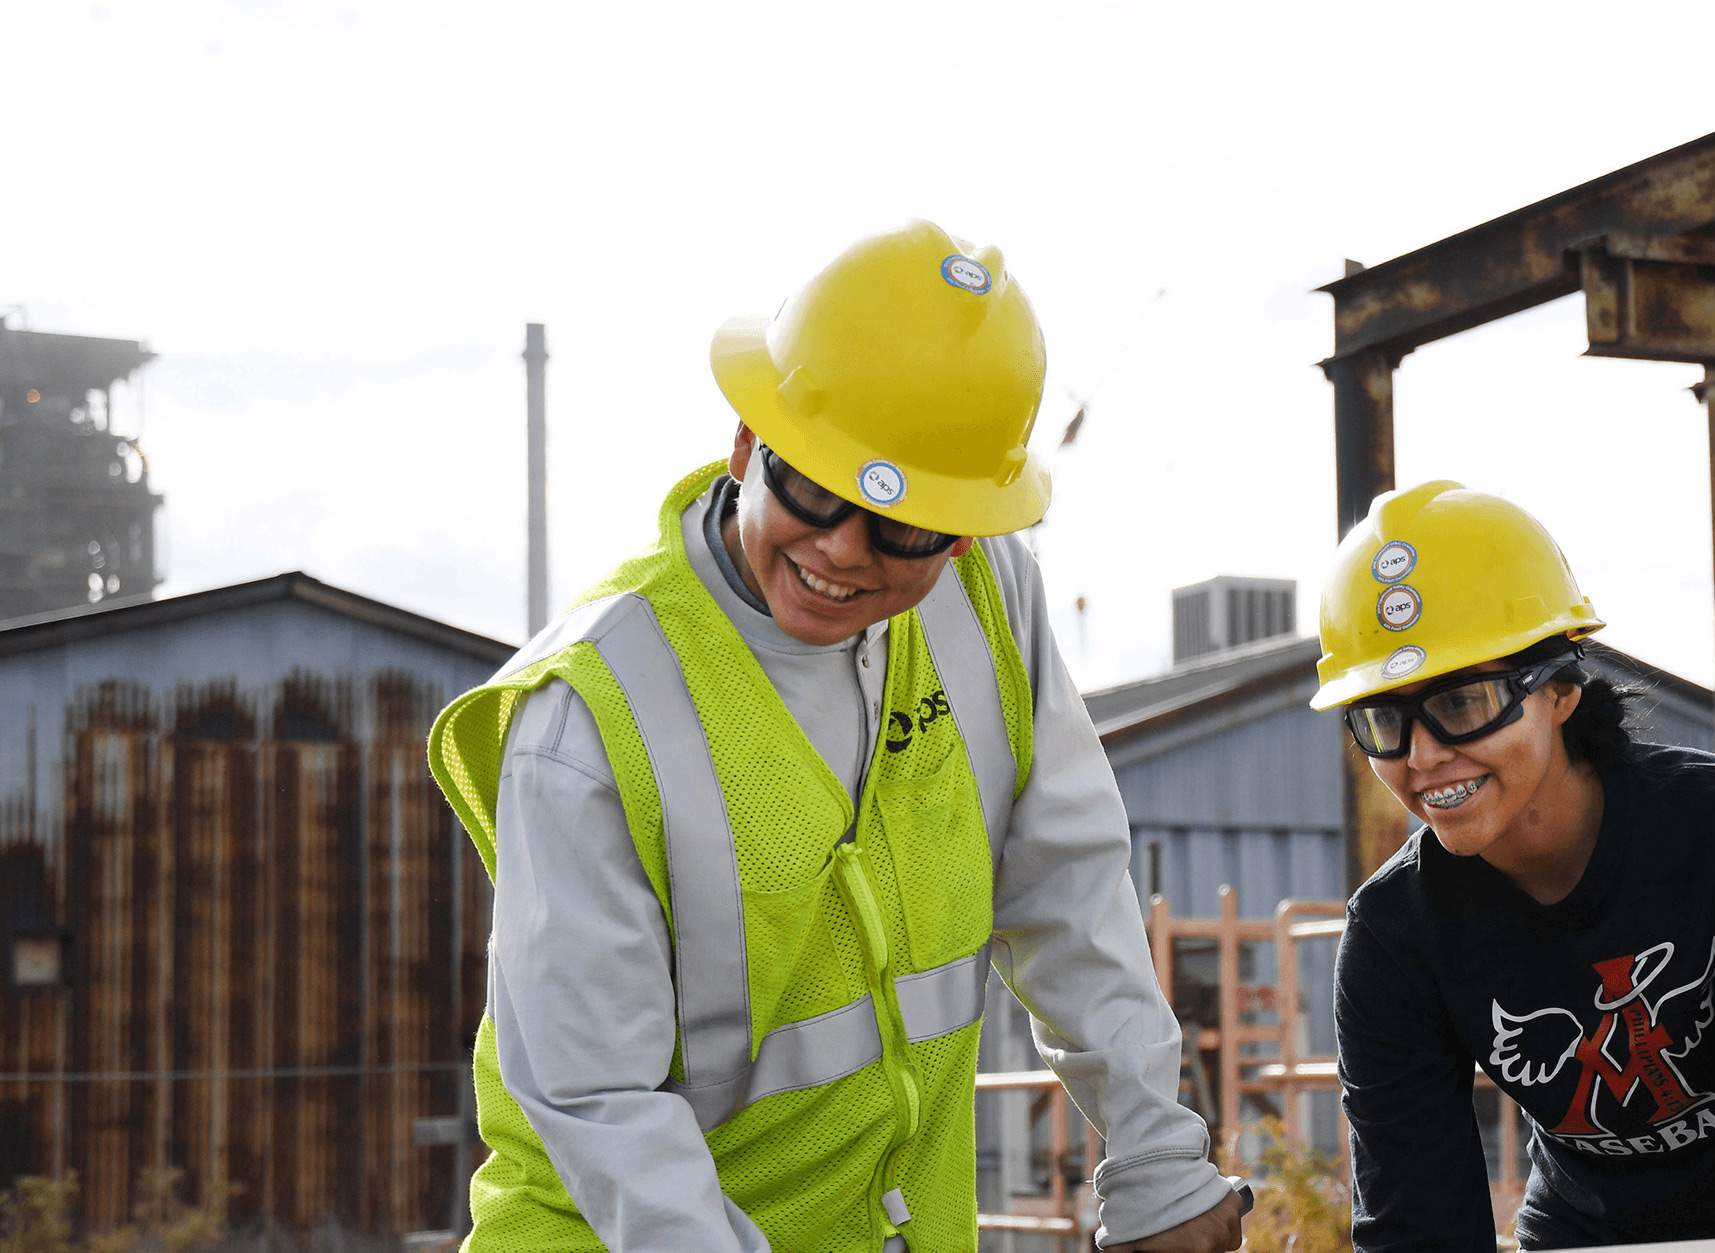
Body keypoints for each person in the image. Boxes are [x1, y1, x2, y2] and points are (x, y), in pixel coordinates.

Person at [427, 221, 1246, 1253]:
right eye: (812, 488)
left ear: (961, 526)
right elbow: (597, 1095)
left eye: (900, 528)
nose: (839, 551)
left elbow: (1068, 889)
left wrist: (1157, 1159)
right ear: (744, 444)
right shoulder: (590, 714)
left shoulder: (988, 603)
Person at [1315, 481, 1715, 1250]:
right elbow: (1416, 1225)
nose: (1425, 754)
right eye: (1383, 719)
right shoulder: (1394, 936)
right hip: (1586, 1231)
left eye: (1463, 703)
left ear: (1562, 690)